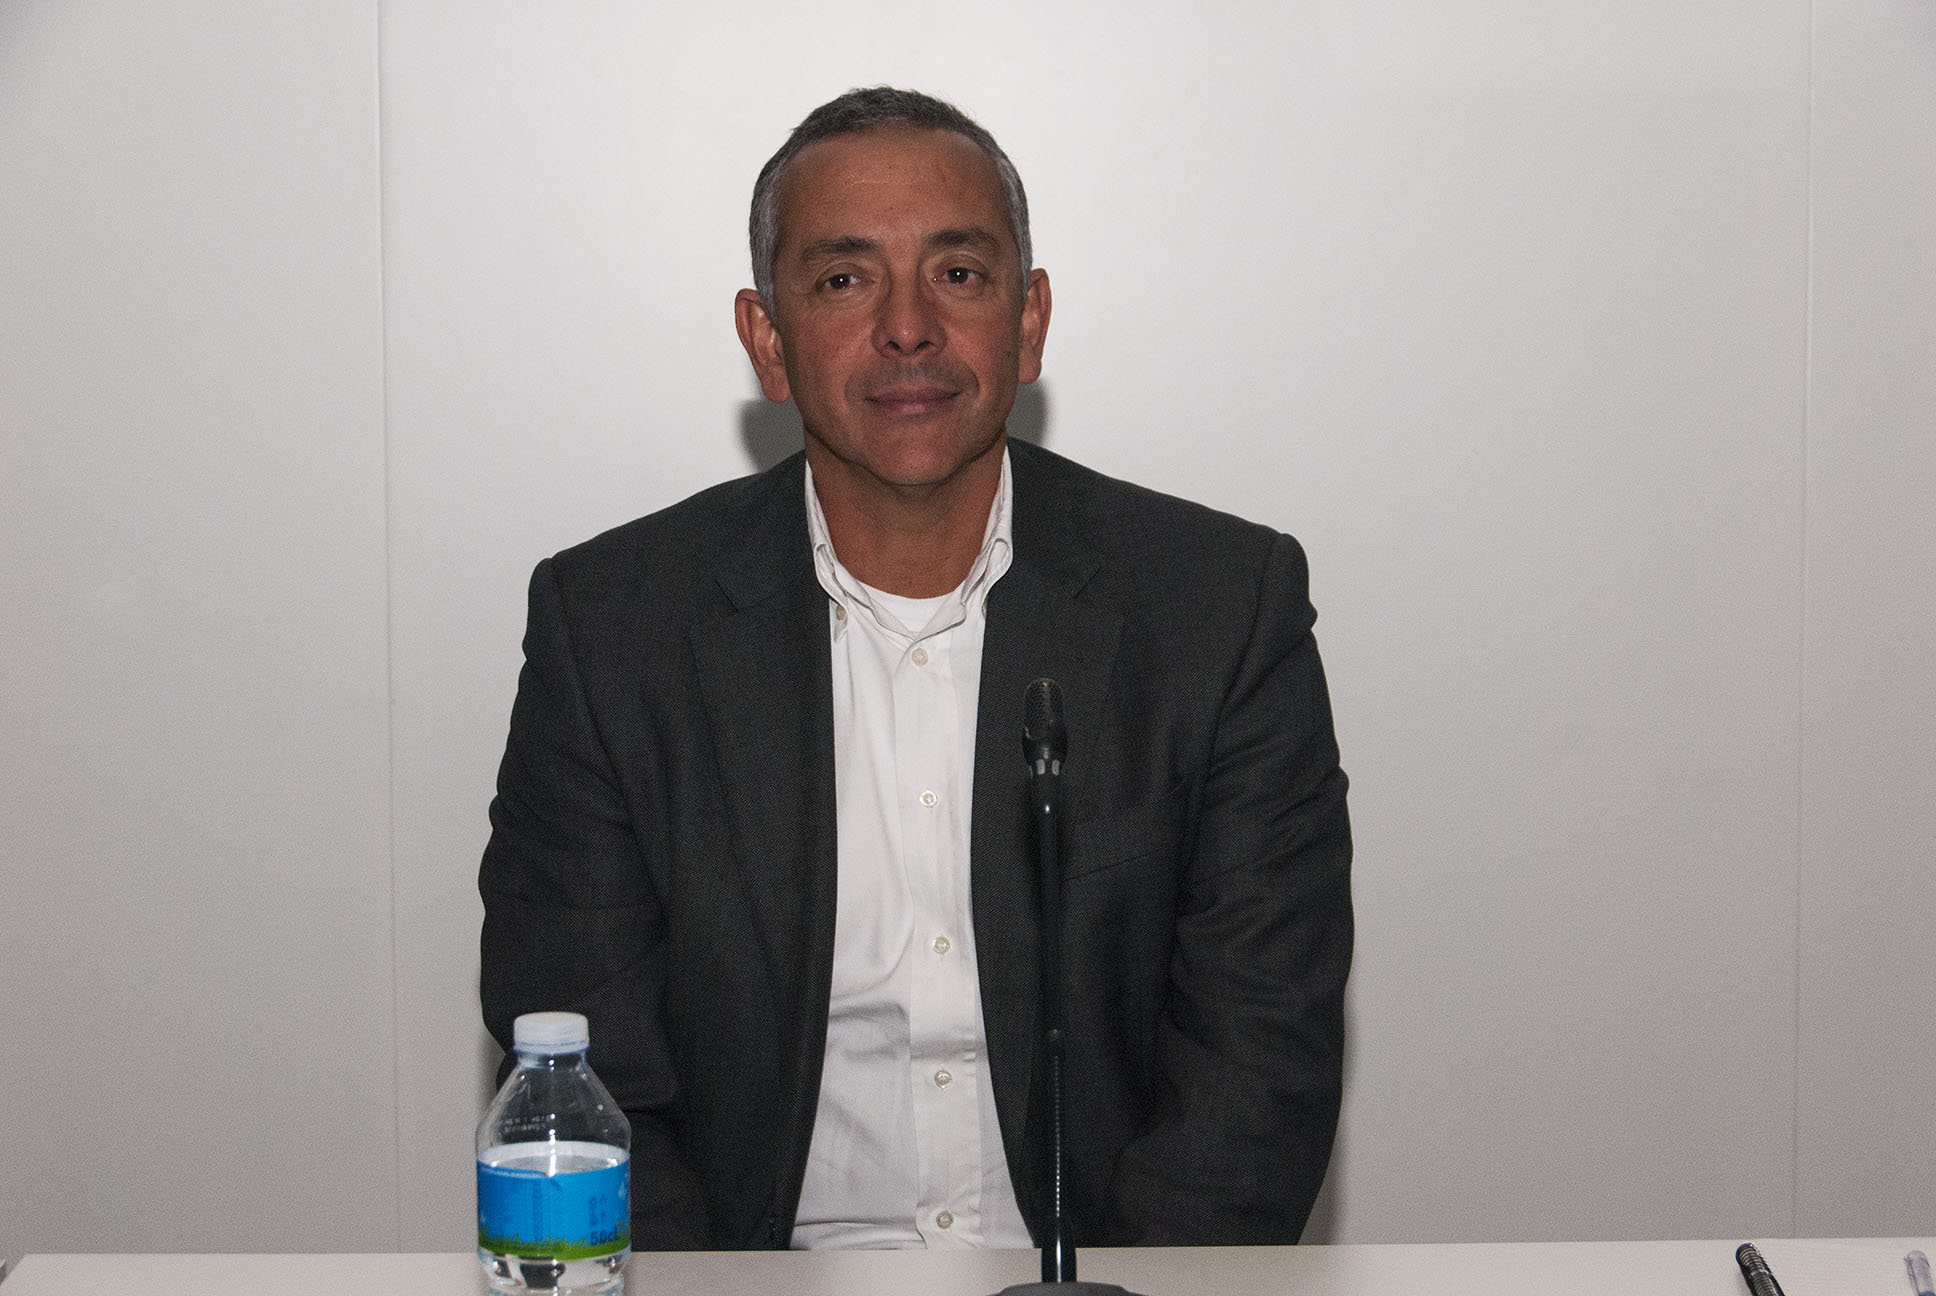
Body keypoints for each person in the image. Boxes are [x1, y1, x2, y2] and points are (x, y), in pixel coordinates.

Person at [479, 86, 1352, 1253]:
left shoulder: (1217, 612)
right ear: (767, 339)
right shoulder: (613, 633)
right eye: (845, 279)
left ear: (1028, 323)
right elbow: (594, 1082)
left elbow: (1257, 1071)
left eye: (959, 273)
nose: (907, 328)